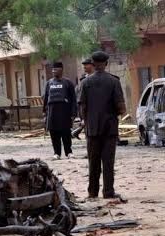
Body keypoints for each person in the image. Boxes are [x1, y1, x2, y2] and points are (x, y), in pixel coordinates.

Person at [78, 51, 127, 199]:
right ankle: (108, 191)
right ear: (106, 64)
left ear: (93, 64)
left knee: (93, 162)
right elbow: (121, 107)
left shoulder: (85, 83)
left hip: (92, 129)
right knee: (108, 162)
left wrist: (86, 121)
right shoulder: (114, 81)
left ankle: (92, 192)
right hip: (109, 128)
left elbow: (82, 107)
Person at [43, 62, 77, 160]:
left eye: (56, 69)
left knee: (65, 133)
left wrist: (73, 113)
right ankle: (56, 153)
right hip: (52, 113)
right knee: (54, 133)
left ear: (61, 70)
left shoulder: (68, 83)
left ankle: (69, 152)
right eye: (53, 70)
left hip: (64, 112)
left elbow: (73, 99)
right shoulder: (49, 83)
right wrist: (44, 112)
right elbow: (45, 98)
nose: (54, 71)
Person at [72, 58, 95, 140]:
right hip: (85, 108)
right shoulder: (83, 81)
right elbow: (79, 98)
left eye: (86, 65)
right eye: (83, 65)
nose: (84, 67)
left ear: (92, 65)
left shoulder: (96, 78)